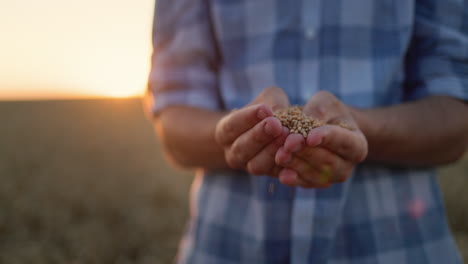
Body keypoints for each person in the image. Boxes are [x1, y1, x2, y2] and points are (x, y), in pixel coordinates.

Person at [146, 0, 468, 263]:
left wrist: (361, 127)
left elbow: (455, 119)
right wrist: (236, 132)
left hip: (400, 247)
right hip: (226, 246)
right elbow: (175, 120)